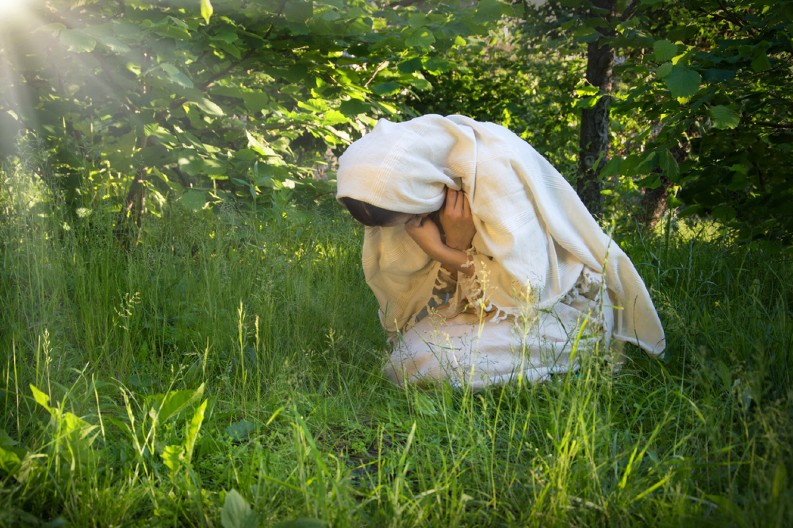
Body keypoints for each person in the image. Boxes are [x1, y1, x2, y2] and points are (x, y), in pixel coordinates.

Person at [336, 114, 665, 389]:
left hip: (560, 309)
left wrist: (449, 248)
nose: (411, 229)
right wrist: (454, 245)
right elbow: (440, 295)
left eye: (410, 219)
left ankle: (574, 364)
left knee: (424, 362)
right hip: (491, 309)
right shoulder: (416, 180)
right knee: (409, 356)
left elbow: (528, 293)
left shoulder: (493, 171)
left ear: (416, 192)